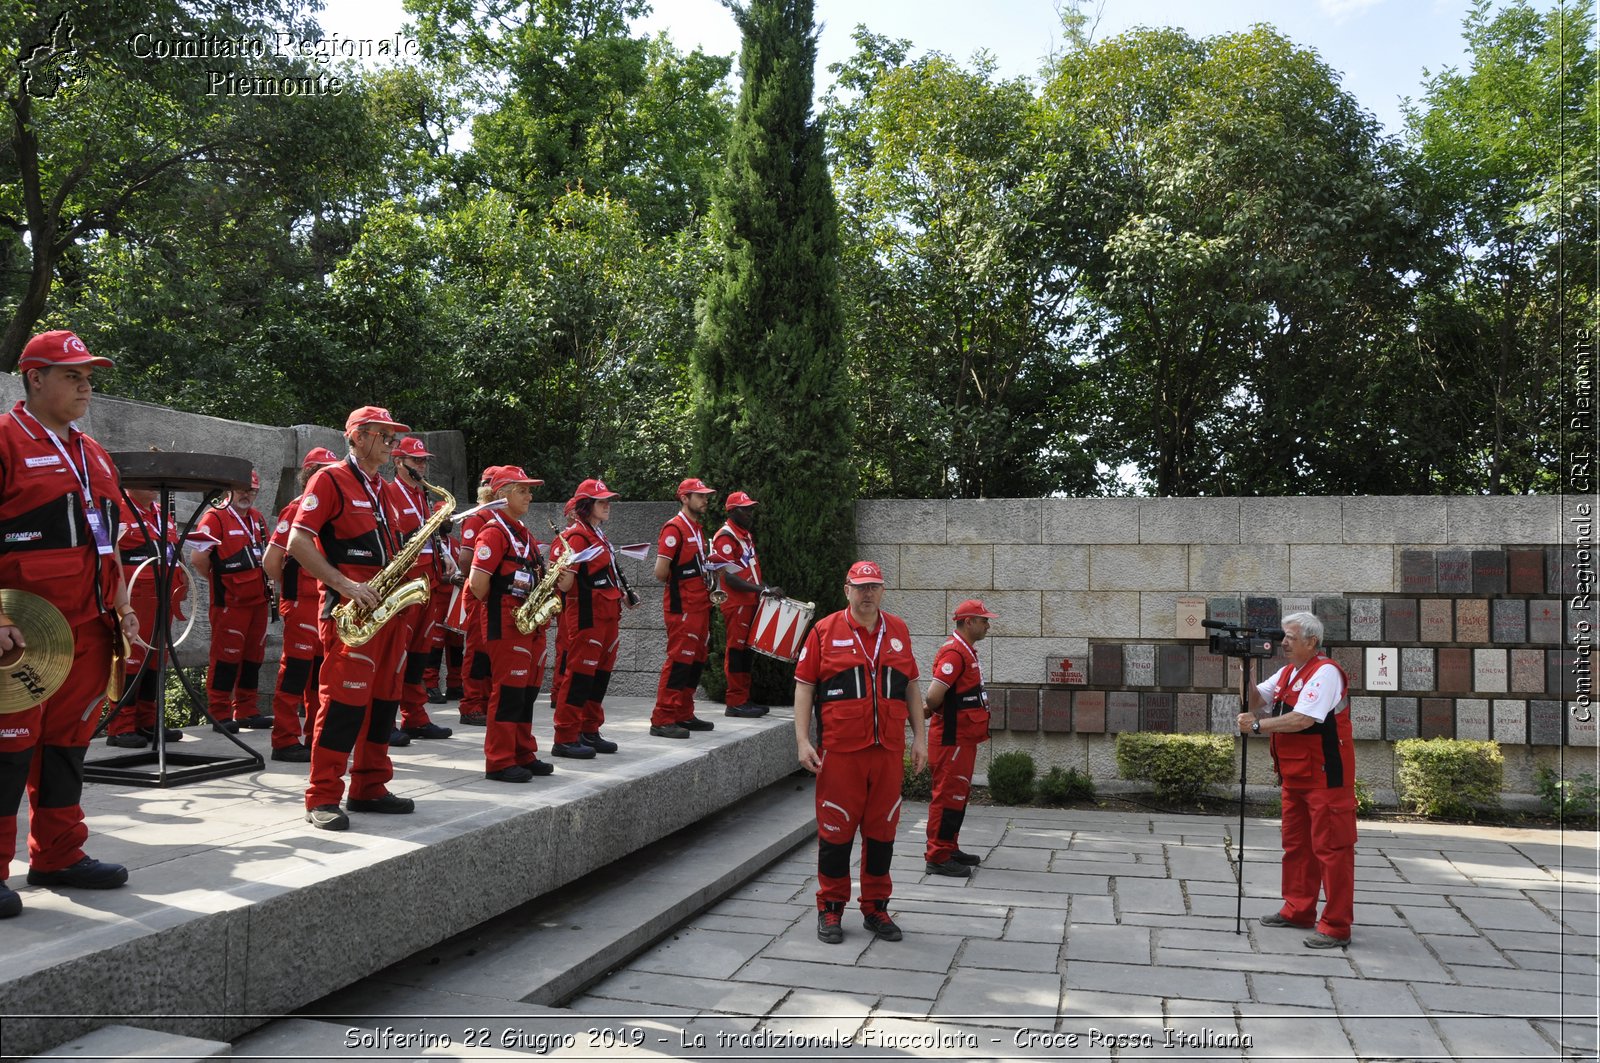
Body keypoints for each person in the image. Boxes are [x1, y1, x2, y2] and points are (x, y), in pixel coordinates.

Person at [0, 330, 141, 917]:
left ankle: (58, 853)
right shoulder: (5, 440)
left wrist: (124, 606)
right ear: (34, 378)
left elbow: (109, 538)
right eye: (71, 375)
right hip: (23, 627)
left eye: (89, 376)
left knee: (67, 745)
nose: (86, 385)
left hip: (89, 625)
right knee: (7, 748)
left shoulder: (92, 451)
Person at [287, 406, 418, 831]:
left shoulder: (385, 487)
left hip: (385, 609)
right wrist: (343, 585)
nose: (390, 442)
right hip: (350, 611)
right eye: (382, 434)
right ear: (357, 437)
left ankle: (370, 786)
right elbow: (297, 543)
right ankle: (323, 795)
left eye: (392, 435)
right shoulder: (329, 479)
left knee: (383, 703)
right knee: (343, 703)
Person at [793, 560, 927, 944]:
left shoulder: (898, 630)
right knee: (835, 833)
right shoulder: (823, 631)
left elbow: (912, 687)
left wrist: (920, 738)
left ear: (882, 591)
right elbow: (804, 687)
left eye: (874, 586)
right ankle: (831, 909)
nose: (867, 593)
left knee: (882, 832)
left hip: (886, 751)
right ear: (846, 590)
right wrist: (802, 740)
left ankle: (876, 908)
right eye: (860, 586)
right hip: (841, 753)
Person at [1237, 610, 1355, 949]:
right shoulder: (1289, 672)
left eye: (1290, 637)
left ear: (1311, 641)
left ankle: (1336, 925)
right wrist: (1243, 665)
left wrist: (1257, 726)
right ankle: (1298, 909)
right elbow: (1254, 700)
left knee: (1332, 851)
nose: (1283, 642)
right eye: (1283, 636)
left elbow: (1304, 718)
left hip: (1326, 777)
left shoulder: (1326, 672)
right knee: (1296, 847)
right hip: (1295, 776)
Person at [469, 466, 554, 782]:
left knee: (526, 692)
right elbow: (478, 585)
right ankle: (500, 760)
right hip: (506, 621)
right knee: (507, 692)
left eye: (529, 490)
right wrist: (509, 604)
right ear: (502, 495)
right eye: (523, 490)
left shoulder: (523, 533)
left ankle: (522, 752)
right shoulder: (493, 532)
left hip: (528, 621)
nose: (530, 496)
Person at [261, 446, 338, 763]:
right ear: (308, 473)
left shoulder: (331, 511)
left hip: (323, 605)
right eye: (319, 469)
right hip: (302, 605)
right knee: (294, 674)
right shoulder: (295, 510)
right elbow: (271, 562)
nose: (325, 476)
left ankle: (313, 739)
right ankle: (284, 740)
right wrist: (291, 588)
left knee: (318, 678)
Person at [551, 478, 632, 759]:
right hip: (586, 614)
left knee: (600, 676)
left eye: (608, 500)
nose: (607, 505)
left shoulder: (598, 535)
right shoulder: (576, 535)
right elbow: (565, 583)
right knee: (580, 675)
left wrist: (622, 593)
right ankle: (565, 736)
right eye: (601, 501)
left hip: (608, 614)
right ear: (587, 506)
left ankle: (589, 729)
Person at [105, 484, 190, 749]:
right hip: (134, 594)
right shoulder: (119, 509)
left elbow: (173, 549)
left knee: (156, 658)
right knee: (131, 658)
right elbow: (110, 554)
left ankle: (148, 722)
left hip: (163, 594)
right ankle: (120, 726)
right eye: (150, 483)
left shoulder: (161, 513)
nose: (155, 489)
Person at [922, 599, 996, 877]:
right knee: (947, 796)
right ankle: (937, 856)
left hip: (962, 738)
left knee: (958, 794)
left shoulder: (965, 650)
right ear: (968, 622)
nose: (988, 625)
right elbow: (932, 695)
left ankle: (949, 847)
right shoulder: (955, 653)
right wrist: (934, 708)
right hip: (951, 738)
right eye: (984, 620)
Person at [193, 470, 272, 733]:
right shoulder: (214, 517)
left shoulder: (258, 519)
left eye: (252, 490)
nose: (247, 494)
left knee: (253, 658)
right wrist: (222, 580)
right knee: (225, 658)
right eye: (243, 489)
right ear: (230, 490)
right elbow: (198, 559)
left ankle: (247, 710)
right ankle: (219, 713)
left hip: (258, 601)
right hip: (230, 603)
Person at [389, 436, 453, 743]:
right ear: (398, 462)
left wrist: (446, 557)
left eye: (424, 461)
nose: (422, 466)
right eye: (416, 461)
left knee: (418, 655)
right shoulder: (388, 492)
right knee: (395, 654)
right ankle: (384, 720)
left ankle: (415, 717)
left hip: (428, 580)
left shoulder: (422, 496)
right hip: (404, 583)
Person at [649, 477, 718, 739]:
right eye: (699, 496)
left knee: (696, 660)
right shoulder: (674, 528)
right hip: (683, 607)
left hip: (700, 605)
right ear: (684, 498)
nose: (705, 500)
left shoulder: (697, 529)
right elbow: (660, 572)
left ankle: (683, 712)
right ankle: (663, 718)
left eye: (705, 495)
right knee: (679, 660)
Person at [711, 490, 780, 719]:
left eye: (751, 508)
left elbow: (749, 571)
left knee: (746, 652)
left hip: (749, 601)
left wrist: (764, 588)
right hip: (737, 603)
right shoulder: (726, 537)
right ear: (732, 511)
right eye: (745, 509)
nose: (750, 512)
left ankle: (743, 699)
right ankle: (735, 702)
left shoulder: (744, 535)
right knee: (737, 652)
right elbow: (729, 577)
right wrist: (762, 590)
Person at [454, 468, 498, 728]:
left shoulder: (498, 516)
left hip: (494, 592)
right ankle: (471, 705)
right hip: (480, 591)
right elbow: (466, 558)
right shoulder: (479, 516)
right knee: (477, 650)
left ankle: (486, 701)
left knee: (489, 650)